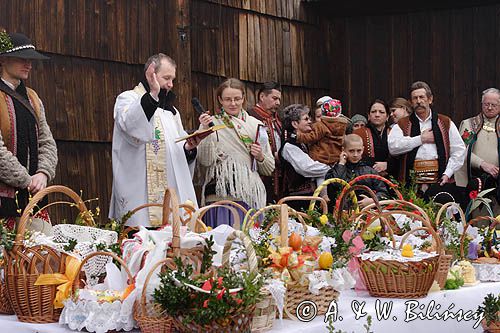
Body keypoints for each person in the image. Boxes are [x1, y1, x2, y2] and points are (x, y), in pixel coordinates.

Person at [110, 54, 211, 227]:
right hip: (140, 197)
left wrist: (189, 147)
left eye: (173, 79)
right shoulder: (128, 99)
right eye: (167, 78)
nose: (171, 84)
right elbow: (132, 127)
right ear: (151, 74)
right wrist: (153, 94)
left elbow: (176, 152)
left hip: (172, 198)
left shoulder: (172, 112)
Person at [197, 78, 275, 227]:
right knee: (221, 245)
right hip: (219, 195)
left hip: (249, 195)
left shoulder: (257, 125)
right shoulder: (211, 123)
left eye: (237, 99)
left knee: (247, 245)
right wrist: (205, 130)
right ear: (220, 100)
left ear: (243, 98)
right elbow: (204, 161)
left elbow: (269, 168)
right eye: (227, 99)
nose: (233, 103)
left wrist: (260, 157)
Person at [0, 31, 57, 223]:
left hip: (35, 199)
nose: (29, 64)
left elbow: (47, 141)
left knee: (41, 250)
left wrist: (43, 173)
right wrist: (26, 180)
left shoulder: (33, 98)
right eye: (22, 58)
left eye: (31, 60)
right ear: (4, 60)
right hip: (4, 201)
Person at [388, 81, 465, 200]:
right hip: (411, 184)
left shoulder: (445, 122)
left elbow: (459, 150)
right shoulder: (402, 123)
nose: (419, 101)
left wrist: (447, 173)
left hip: (440, 182)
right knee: (412, 217)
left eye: (422, 97)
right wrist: (420, 139)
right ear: (410, 102)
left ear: (430, 99)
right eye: (415, 98)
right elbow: (393, 147)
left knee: (440, 216)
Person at [455, 88, 500, 211]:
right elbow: (463, 151)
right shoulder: (470, 125)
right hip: (474, 182)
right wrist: (483, 164)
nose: (489, 108)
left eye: (494, 105)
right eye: (486, 104)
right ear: (482, 104)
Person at [279, 104, 330, 211]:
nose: (310, 121)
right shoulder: (290, 146)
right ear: (295, 124)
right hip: (298, 201)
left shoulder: (306, 143)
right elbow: (307, 168)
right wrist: (331, 169)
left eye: (310, 118)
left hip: (311, 199)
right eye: (306, 119)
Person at [326, 134, 389, 208]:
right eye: (351, 151)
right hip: (341, 213)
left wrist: (372, 200)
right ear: (343, 150)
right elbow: (336, 186)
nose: (355, 155)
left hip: (367, 212)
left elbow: (384, 193)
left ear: (363, 149)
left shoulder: (370, 171)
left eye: (358, 151)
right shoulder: (335, 170)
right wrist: (341, 164)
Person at [248, 81, 282, 203]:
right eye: (274, 98)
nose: (278, 103)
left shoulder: (278, 119)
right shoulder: (250, 117)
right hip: (258, 175)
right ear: (262, 96)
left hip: (277, 175)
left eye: (279, 99)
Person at [353, 99, 394, 177]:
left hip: (391, 178)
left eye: (381, 112)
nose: (377, 115)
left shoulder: (395, 133)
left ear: (387, 116)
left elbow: (402, 158)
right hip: (365, 177)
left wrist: (388, 165)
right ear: (368, 116)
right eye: (373, 112)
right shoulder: (358, 133)